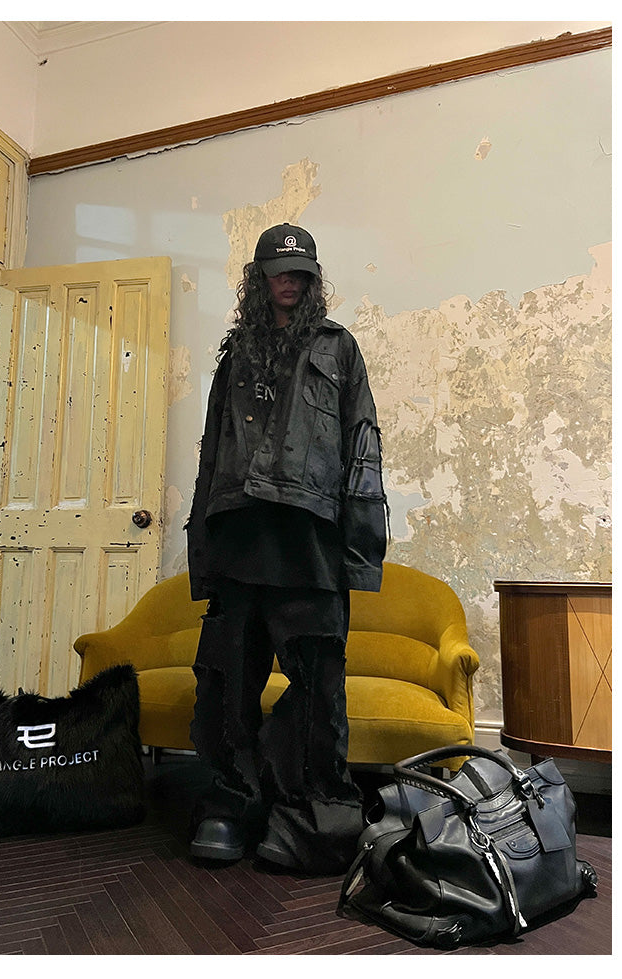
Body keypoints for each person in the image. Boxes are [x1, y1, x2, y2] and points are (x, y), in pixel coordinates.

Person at [185, 223, 388, 875]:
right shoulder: (234, 355)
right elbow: (212, 453)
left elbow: (362, 448)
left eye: (301, 272)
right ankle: (230, 803)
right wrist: (201, 552)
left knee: (319, 692)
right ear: (258, 279)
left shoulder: (338, 348)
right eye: (278, 271)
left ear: (314, 279)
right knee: (226, 685)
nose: (289, 281)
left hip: (311, 547)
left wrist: (360, 554)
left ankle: (311, 817)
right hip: (239, 542)